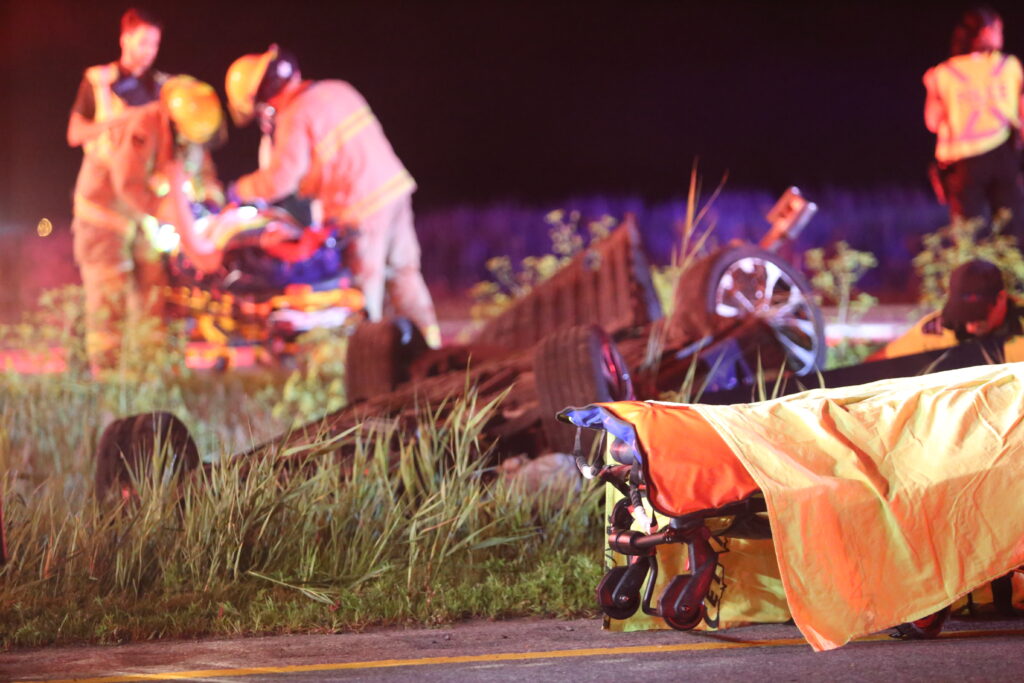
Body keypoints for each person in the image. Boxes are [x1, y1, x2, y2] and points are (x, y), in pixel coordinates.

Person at [224, 46, 441, 347]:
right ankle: (431, 346)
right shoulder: (336, 89)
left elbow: (280, 181)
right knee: (404, 274)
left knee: (361, 293)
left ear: (263, 99)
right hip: (394, 192)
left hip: (358, 208)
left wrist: (239, 190)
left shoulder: (296, 114)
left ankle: (370, 365)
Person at [70, 74, 223, 375]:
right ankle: (109, 382)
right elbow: (127, 184)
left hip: (143, 223)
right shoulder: (143, 127)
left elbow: (204, 175)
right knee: (109, 297)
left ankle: (149, 376)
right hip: (104, 219)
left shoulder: (190, 131)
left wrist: (210, 202)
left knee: (154, 295)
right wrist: (162, 208)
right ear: (172, 119)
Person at [923, 5, 1024, 240]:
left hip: (964, 165)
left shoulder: (943, 73)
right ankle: (1012, 274)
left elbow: (932, 121)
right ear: (986, 31)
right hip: (1004, 156)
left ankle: (973, 274)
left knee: (969, 233)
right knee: (1012, 230)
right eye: (998, 29)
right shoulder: (1008, 66)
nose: (1001, 35)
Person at [871, 259, 1024, 362]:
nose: (970, 327)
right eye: (964, 316)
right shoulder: (940, 326)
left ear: (1001, 298)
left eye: (979, 317)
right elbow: (881, 362)